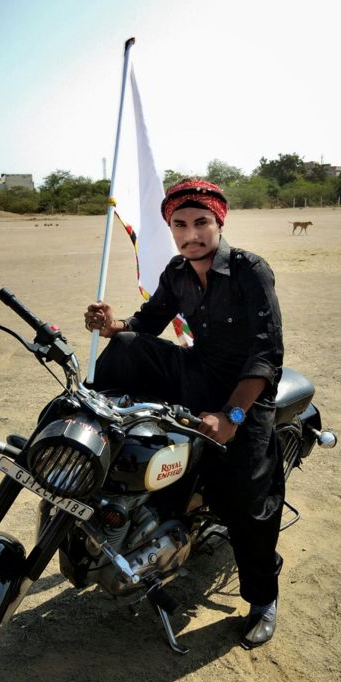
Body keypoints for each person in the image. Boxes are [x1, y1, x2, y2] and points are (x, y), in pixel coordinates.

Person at [84, 179, 284, 648]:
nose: (191, 234)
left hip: (244, 393)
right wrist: (112, 326)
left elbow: (266, 354)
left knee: (248, 500)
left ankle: (263, 598)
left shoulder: (250, 270)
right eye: (180, 224)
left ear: (219, 223)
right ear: (171, 228)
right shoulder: (177, 270)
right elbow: (148, 322)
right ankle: (91, 426)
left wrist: (231, 417)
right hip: (198, 370)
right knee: (128, 347)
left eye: (201, 222)